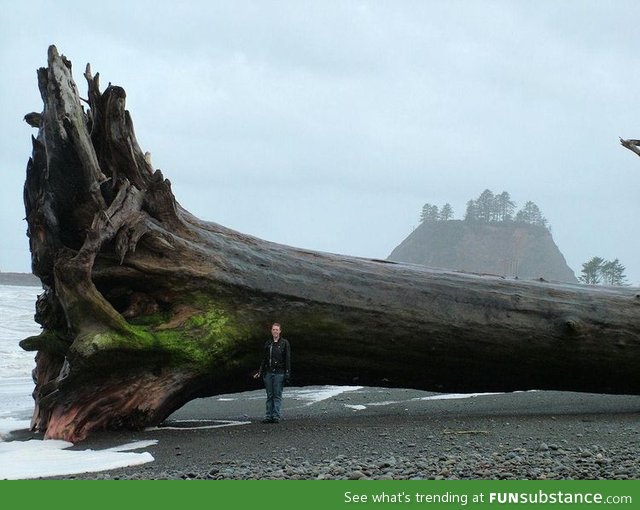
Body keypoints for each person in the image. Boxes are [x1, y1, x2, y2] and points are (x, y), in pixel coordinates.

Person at [253, 323, 291, 423]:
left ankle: (276, 416)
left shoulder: (284, 343)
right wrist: (260, 371)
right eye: (273, 330)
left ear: (280, 331)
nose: (275, 331)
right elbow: (264, 359)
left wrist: (287, 373)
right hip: (268, 373)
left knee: (277, 395)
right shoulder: (268, 343)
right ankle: (268, 416)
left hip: (279, 373)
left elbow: (287, 359)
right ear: (271, 331)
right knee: (269, 395)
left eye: (277, 330)